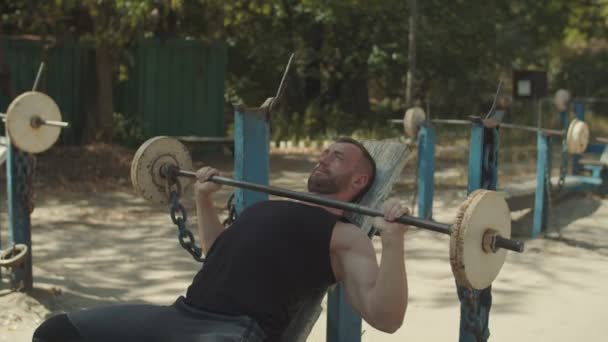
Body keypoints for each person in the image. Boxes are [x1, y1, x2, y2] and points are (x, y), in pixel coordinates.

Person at [32, 137, 410, 342]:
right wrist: (203, 199)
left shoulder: (344, 235)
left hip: (232, 330)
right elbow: (217, 254)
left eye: (337, 157)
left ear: (359, 181)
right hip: (180, 315)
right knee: (55, 333)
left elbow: (386, 317)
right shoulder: (267, 208)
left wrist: (393, 241)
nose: (323, 158)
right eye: (324, 151)